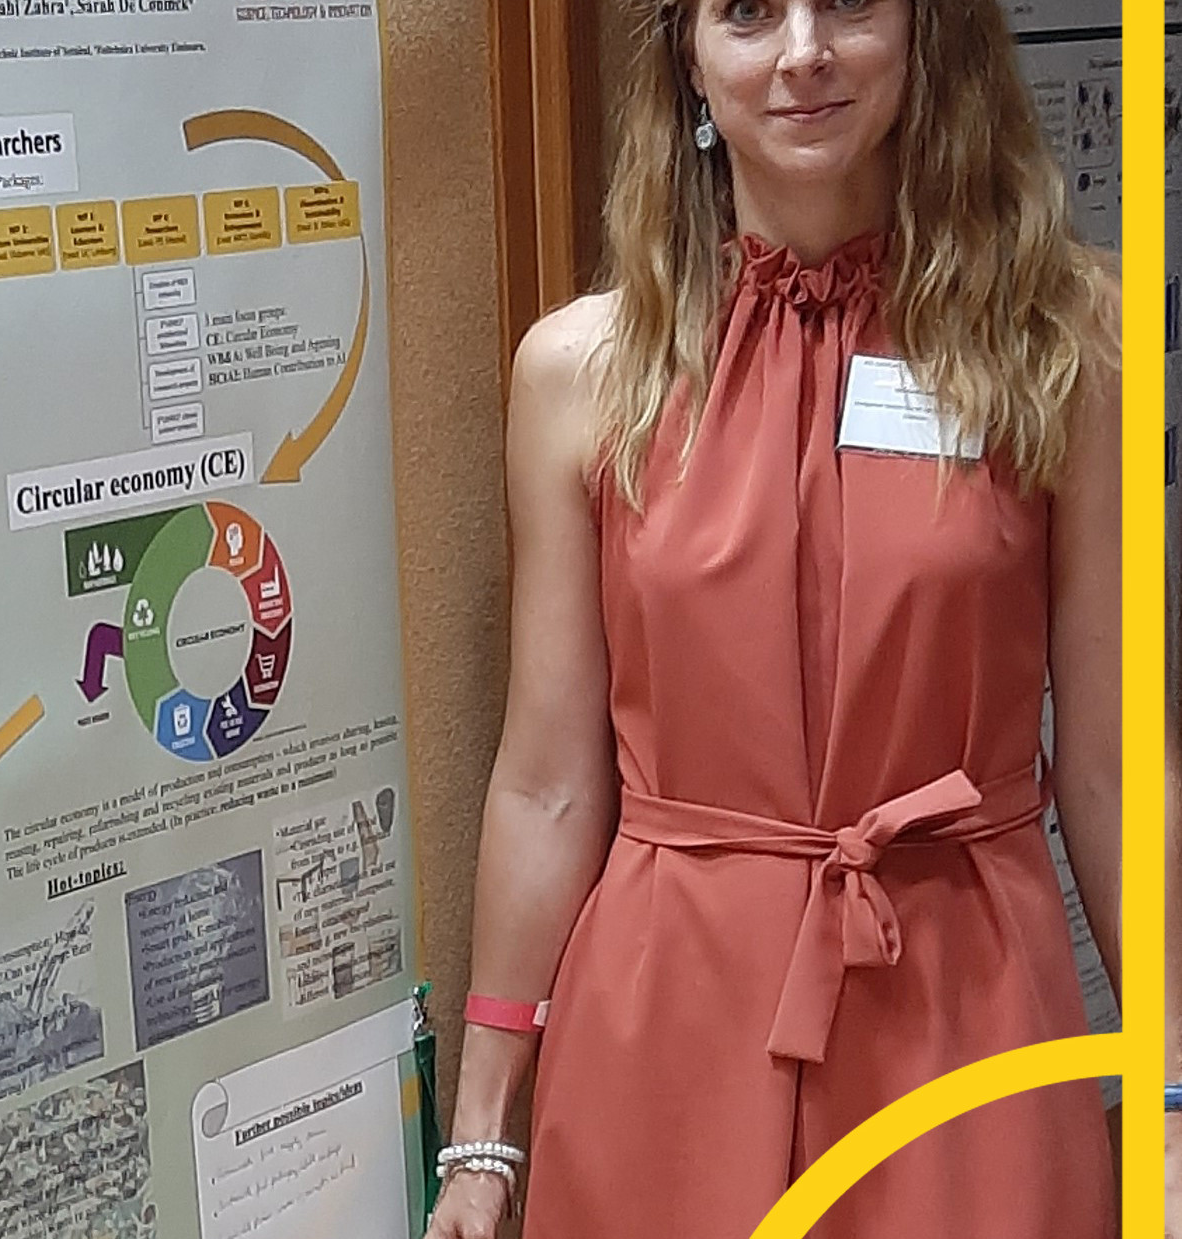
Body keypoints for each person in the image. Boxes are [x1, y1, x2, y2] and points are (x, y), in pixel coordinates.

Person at [428, 0, 1122, 1234]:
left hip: (963, 1008)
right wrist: (480, 1136)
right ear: (688, 59)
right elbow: (545, 783)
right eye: (746, 13)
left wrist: (1166, 1080)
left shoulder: (1062, 345)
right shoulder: (579, 375)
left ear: (921, 30)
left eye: (846, 2)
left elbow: (1117, 765)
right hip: (666, 1021)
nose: (801, 50)